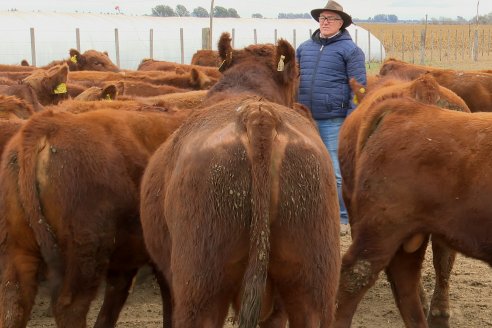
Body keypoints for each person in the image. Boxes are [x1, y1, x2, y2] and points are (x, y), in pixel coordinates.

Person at [296, 0, 366, 228]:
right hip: (304, 118)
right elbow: (287, 74)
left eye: (331, 19)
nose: (325, 22)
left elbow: (359, 88)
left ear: (341, 23)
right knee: (306, 166)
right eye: (322, 18)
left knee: (335, 171)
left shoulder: (351, 51)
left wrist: (352, 118)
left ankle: (342, 218)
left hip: (333, 119)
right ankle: (313, 213)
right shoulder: (303, 48)